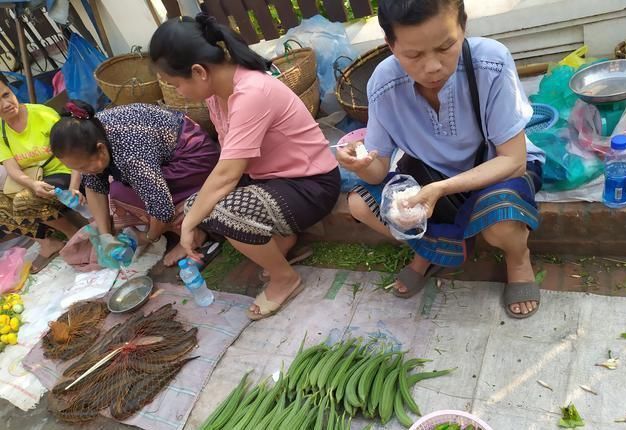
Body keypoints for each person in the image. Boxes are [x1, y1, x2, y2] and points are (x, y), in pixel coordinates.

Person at [337, 0, 546, 319]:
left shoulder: (490, 62)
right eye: (413, 55)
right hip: (430, 176)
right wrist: (363, 165)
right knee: (361, 204)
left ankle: (519, 259)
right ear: (390, 45)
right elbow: (378, 172)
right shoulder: (382, 83)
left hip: (494, 170)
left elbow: (512, 160)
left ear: (463, 27)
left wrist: (442, 189)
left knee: (500, 223)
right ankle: (433, 248)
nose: (432, 66)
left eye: (446, 46)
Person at [149, 13, 341, 320]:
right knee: (200, 204)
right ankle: (282, 239)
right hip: (272, 181)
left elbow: (227, 175)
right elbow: (230, 163)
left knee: (221, 211)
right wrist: (193, 215)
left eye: (176, 84)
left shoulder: (251, 92)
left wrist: (187, 226)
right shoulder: (217, 95)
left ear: (198, 71)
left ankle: (285, 278)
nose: (179, 93)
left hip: (311, 184)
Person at [49, 101, 221, 267]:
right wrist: (105, 236)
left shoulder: (131, 155)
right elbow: (94, 186)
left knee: (122, 193)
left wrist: (148, 237)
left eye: (84, 166)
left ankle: (192, 235)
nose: (84, 172)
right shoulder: (90, 130)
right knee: (118, 186)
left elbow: (162, 209)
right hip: (170, 156)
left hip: (196, 160)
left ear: (101, 149)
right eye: (78, 169)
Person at [0, 76, 81, 273]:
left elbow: (77, 152)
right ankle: (48, 243)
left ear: (11, 90)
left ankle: (75, 234)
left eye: (6, 95)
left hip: (66, 172)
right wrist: (32, 184)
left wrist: (74, 187)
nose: (6, 104)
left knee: (23, 201)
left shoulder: (42, 114)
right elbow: (12, 169)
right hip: (38, 180)